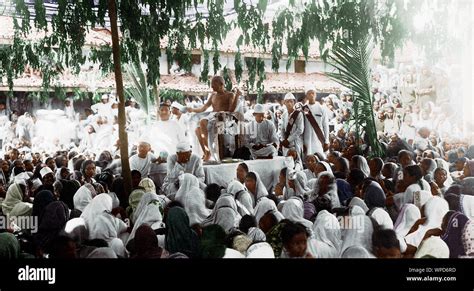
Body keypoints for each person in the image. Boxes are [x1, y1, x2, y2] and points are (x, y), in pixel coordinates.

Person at [187, 76, 241, 161]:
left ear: (221, 84)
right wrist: (192, 109)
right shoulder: (213, 95)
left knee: (202, 122)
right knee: (197, 130)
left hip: (222, 117)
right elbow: (203, 108)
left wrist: (237, 96)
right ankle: (206, 152)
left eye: (213, 84)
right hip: (212, 116)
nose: (211, 86)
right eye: (211, 84)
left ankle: (208, 152)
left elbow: (231, 110)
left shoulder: (230, 94)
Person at [302, 87, 329, 158]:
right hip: (307, 138)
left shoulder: (321, 108)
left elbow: (325, 125)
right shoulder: (304, 108)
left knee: (319, 157)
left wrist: (326, 141)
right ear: (306, 96)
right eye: (309, 93)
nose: (311, 95)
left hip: (319, 138)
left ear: (316, 95)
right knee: (308, 159)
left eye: (313, 93)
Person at [279, 93, 304, 162]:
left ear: (294, 103)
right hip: (286, 144)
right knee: (286, 162)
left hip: (296, 142)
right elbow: (282, 129)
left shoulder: (298, 114)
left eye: (291, 101)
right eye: (287, 101)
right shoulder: (284, 115)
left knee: (297, 161)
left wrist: (288, 140)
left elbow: (300, 130)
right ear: (284, 103)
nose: (289, 103)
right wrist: (283, 139)